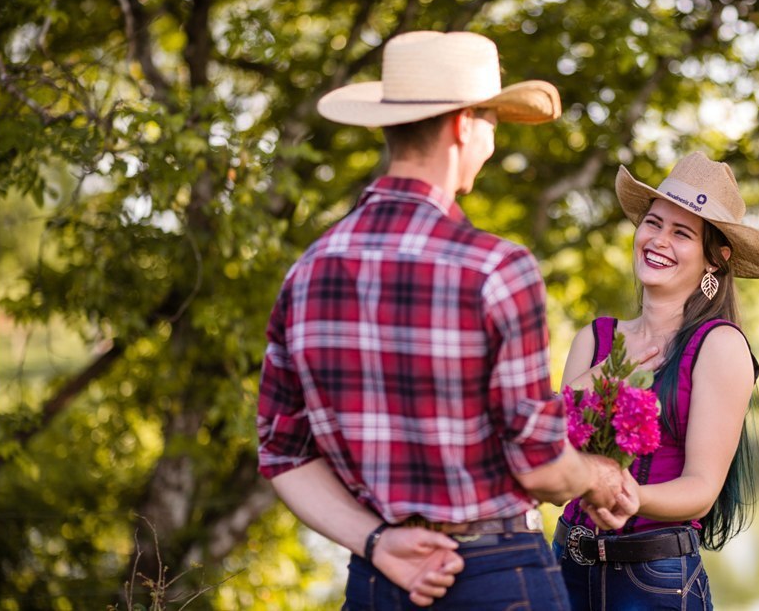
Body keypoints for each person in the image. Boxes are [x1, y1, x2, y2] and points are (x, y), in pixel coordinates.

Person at [257, 30, 634, 610]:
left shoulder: (307, 272)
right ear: (464, 125)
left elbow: (284, 456)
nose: (491, 139)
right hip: (497, 575)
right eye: (492, 122)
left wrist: (378, 541)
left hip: (381, 577)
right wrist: (599, 477)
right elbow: (538, 468)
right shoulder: (496, 268)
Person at [551, 152, 759, 610]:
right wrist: (602, 376)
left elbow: (700, 489)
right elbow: (545, 444)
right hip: (564, 567)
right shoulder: (594, 337)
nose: (658, 240)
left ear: (716, 259)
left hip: (652, 582)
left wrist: (627, 495)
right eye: (653, 223)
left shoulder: (719, 346)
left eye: (681, 233)